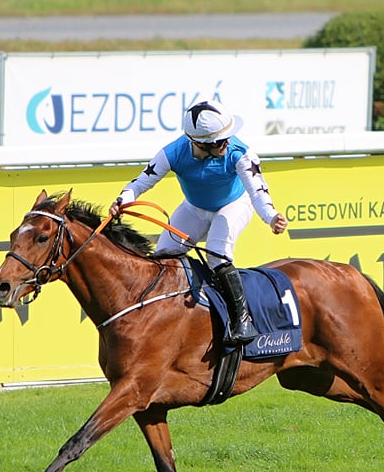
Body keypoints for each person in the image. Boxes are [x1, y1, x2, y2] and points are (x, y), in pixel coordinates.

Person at [109, 100, 288, 347]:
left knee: (217, 255)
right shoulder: (173, 153)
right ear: (199, 143)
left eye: (227, 137)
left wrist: (271, 217)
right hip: (194, 208)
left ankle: (242, 320)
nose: (227, 143)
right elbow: (140, 183)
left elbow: (258, 192)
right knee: (162, 258)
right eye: (220, 141)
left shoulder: (240, 153)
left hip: (234, 205)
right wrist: (123, 200)